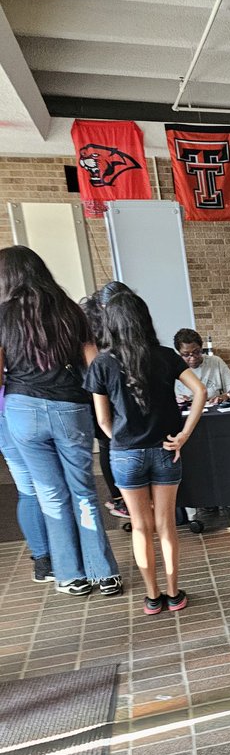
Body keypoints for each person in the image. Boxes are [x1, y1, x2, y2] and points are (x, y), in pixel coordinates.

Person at [0, 245, 121, 597]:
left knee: (50, 495)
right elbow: (94, 364)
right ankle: (104, 573)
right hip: (70, 407)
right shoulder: (69, 309)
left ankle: (70, 576)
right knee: (83, 491)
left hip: (22, 409)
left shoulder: (3, 314)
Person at [85, 285, 207, 615]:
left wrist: (121, 441)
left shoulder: (102, 363)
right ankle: (174, 594)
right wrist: (183, 436)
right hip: (166, 450)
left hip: (125, 454)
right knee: (167, 525)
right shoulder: (166, 356)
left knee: (141, 527)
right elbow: (200, 391)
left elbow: (102, 420)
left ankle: (153, 597)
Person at [82, 285, 130, 519]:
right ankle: (119, 497)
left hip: (118, 386)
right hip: (98, 389)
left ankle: (128, 494)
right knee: (107, 443)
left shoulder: (122, 320)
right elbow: (95, 365)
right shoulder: (90, 327)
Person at [0, 386, 53, 582]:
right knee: (38, 489)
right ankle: (47, 559)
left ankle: (43, 559)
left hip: (6, 412)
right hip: (22, 408)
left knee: (28, 491)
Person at [173, 329, 230, 404]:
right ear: (179, 353)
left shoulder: (215, 362)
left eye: (196, 352)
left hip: (212, 407)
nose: (192, 358)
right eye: (186, 355)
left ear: (201, 348)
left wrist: (226, 396)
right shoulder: (173, 367)